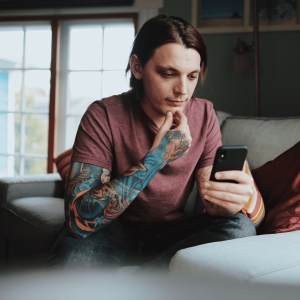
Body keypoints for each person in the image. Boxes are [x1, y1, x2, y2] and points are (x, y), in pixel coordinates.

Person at [48, 15, 256, 271]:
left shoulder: (204, 114)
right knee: (73, 260)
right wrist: (158, 157)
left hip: (171, 232)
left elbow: (211, 205)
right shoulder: (103, 114)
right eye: (169, 74)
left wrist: (230, 201)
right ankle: (156, 278)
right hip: (108, 229)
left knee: (240, 226)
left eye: (192, 76)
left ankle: (139, 280)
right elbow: (80, 218)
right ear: (137, 67)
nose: (183, 90)